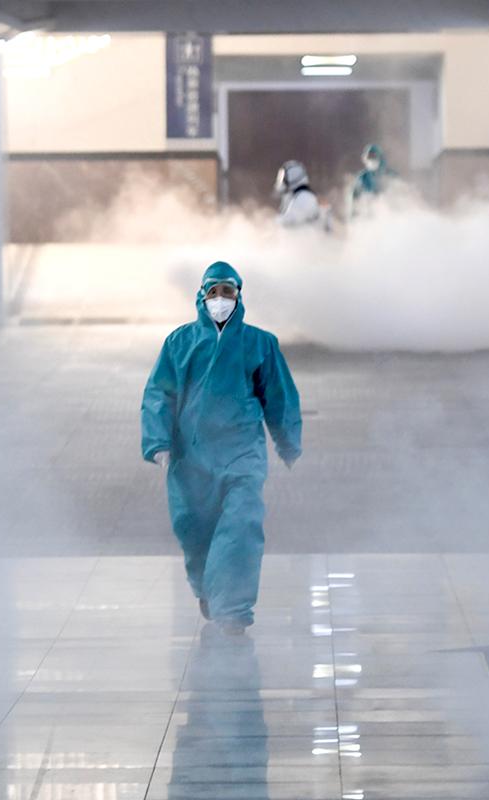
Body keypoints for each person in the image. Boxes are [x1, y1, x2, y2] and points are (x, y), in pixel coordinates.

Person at [141, 261, 302, 635]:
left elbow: (279, 396)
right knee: (195, 530)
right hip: (190, 458)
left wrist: (287, 442)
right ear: (201, 296)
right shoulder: (179, 343)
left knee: (241, 524)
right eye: (213, 292)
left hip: (242, 454)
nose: (220, 300)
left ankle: (233, 609)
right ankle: (207, 588)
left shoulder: (260, 344)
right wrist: (158, 442)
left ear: (239, 295)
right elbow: (159, 395)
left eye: (227, 292)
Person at [348, 143, 395, 218]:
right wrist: (354, 214)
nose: (371, 160)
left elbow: (399, 194)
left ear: (380, 158)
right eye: (369, 158)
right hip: (368, 215)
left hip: (388, 215)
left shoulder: (391, 175)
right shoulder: (362, 177)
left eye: (374, 157)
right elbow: (355, 197)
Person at [273, 159, 322, 228]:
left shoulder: (305, 197)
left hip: (308, 237)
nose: (283, 181)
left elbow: (291, 221)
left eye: (284, 177)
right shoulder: (296, 197)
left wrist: (272, 224)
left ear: (292, 176)